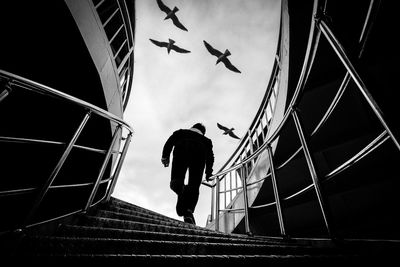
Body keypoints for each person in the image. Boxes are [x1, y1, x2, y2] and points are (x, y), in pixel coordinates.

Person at [161, 123, 214, 225]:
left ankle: (182, 191)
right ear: (203, 132)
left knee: (176, 182)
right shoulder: (207, 141)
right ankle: (188, 211)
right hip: (199, 158)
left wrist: (165, 157)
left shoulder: (180, 132)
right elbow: (210, 158)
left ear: (193, 127)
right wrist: (208, 173)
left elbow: (169, 143)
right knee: (194, 187)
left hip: (180, 153)